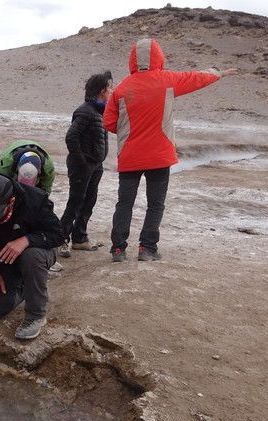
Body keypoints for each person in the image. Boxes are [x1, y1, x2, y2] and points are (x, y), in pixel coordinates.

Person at [104, 37, 237, 262]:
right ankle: (147, 249)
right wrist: (218, 73)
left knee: (124, 203)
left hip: (130, 156)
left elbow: (108, 123)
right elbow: (195, 78)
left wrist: (130, 130)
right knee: (155, 204)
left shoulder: (121, 88)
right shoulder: (167, 80)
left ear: (133, 60)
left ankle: (118, 249)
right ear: (158, 57)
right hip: (159, 156)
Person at [0, 173, 64, 340]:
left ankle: (35, 315)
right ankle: (26, 287)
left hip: (38, 251)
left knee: (31, 256)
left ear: (11, 202)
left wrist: (27, 240)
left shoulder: (35, 200)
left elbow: (59, 235)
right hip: (5, 259)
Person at [59, 71, 113, 258]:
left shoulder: (99, 111)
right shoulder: (85, 111)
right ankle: (60, 239)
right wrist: (82, 161)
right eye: (109, 88)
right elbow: (71, 136)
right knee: (75, 202)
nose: (111, 91)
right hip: (83, 166)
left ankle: (80, 238)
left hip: (95, 165)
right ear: (101, 91)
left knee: (89, 201)